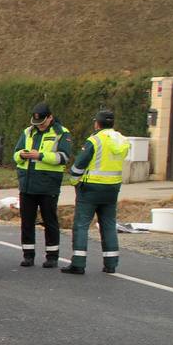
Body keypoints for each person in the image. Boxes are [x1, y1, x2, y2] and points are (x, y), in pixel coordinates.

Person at [61, 108, 129, 275]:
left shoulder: (95, 140)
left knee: (81, 225)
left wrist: (74, 180)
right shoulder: (122, 140)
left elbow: (80, 164)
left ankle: (78, 263)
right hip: (112, 188)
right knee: (108, 225)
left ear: (97, 124)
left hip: (90, 189)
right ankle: (111, 263)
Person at [12, 102, 72, 267]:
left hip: (48, 185)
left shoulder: (61, 133)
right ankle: (28, 255)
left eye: (42, 122)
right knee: (27, 221)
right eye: (36, 122)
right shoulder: (28, 131)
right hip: (28, 184)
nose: (39, 125)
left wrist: (40, 156)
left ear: (50, 117)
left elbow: (64, 157)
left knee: (50, 221)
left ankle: (52, 256)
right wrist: (22, 155)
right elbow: (15, 153)